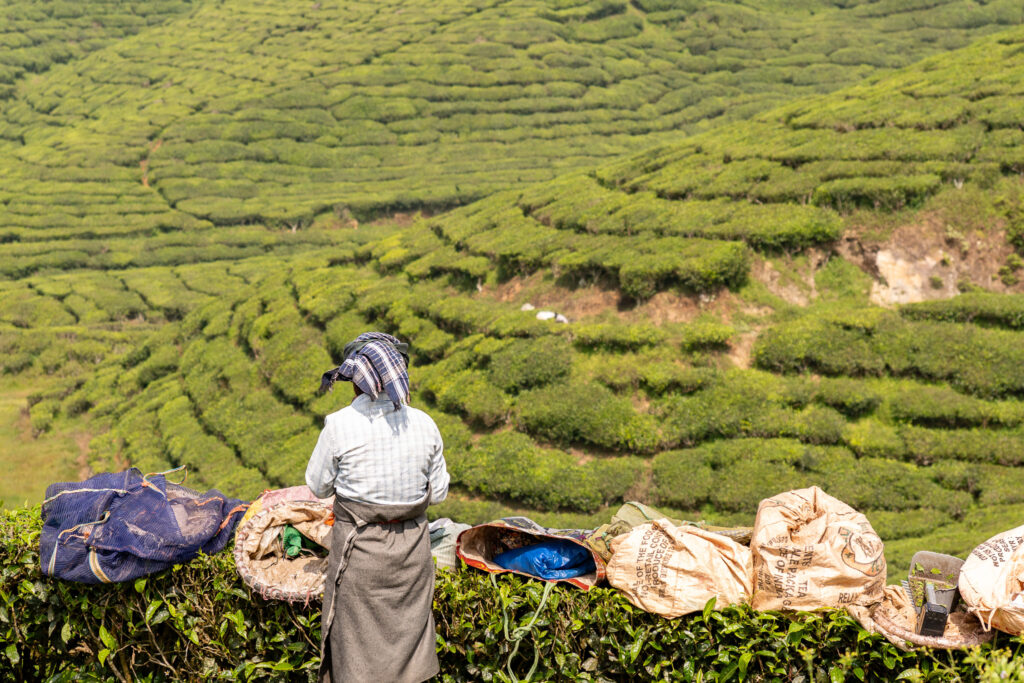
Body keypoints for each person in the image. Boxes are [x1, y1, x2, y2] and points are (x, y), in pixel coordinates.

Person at [305, 331, 449, 683]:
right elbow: (440, 492)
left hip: (360, 562)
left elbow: (317, 485)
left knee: (356, 655)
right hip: (411, 563)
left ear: (355, 382)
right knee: (408, 651)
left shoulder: (339, 425)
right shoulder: (425, 424)